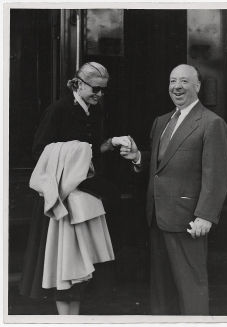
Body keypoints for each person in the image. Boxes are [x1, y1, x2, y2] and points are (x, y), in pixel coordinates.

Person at [120, 64, 227, 315]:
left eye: (183, 81)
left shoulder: (212, 123)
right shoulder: (162, 121)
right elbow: (162, 164)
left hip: (188, 219)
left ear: (197, 87)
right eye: (172, 81)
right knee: (161, 292)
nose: (176, 87)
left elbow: (217, 174)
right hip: (158, 217)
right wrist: (139, 157)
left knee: (191, 288)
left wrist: (205, 214)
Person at [19, 62, 128, 315]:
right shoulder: (58, 110)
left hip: (85, 196)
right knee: (65, 266)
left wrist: (110, 143)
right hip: (63, 198)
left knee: (81, 268)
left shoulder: (94, 111)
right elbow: (40, 152)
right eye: (96, 89)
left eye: (103, 91)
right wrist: (81, 153)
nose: (100, 95)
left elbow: (91, 154)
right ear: (78, 84)